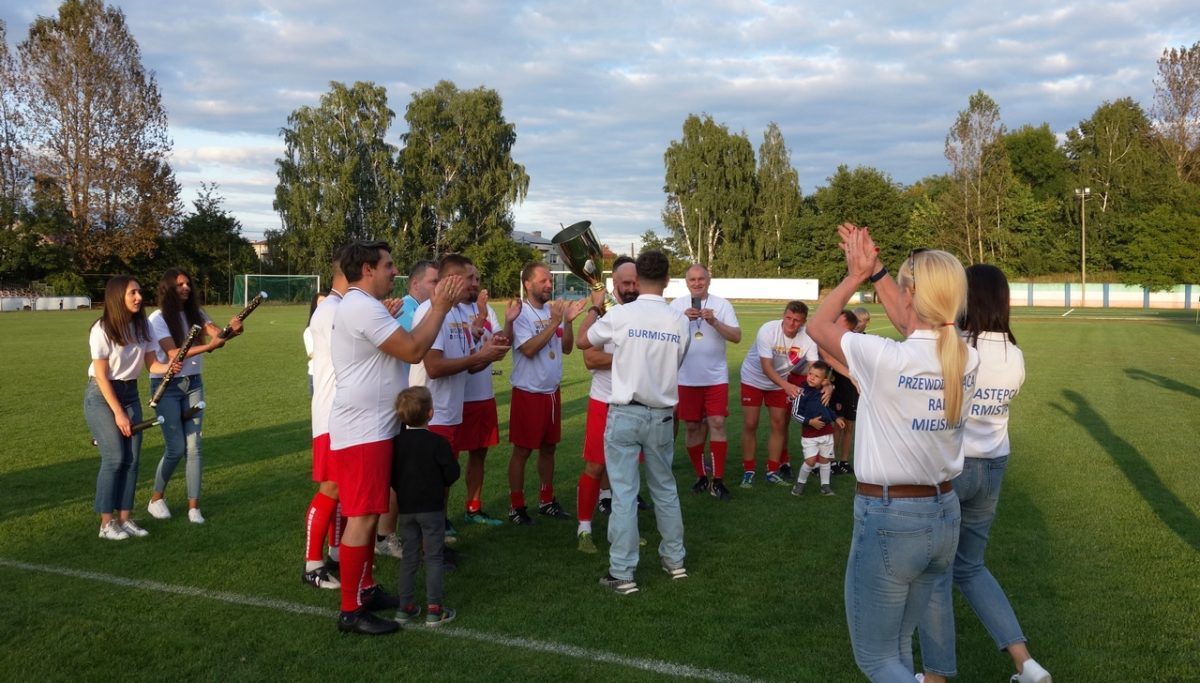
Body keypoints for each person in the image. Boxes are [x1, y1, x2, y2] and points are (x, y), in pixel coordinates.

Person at [806, 225, 979, 682]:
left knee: (877, 660)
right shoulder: (965, 355)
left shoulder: (885, 357)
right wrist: (881, 271)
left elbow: (818, 327)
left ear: (910, 295)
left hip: (891, 517)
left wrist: (856, 275)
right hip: (944, 514)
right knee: (899, 645)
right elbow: (915, 326)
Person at [916, 264, 1050, 683]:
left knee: (934, 573)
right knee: (971, 567)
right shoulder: (1015, 354)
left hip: (954, 467)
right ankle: (1025, 663)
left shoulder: (957, 347)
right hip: (993, 465)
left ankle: (935, 677)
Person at [328, 239, 463, 635]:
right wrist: (440, 306)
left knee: (370, 515)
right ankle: (351, 610)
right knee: (362, 517)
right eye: (388, 265)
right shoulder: (360, 306)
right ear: (367, 269)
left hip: (372, 427)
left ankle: (365, 589)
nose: (394, 271)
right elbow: (415, 350)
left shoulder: (363, 305)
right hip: (363, 430)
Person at [578, 250, 690, 594]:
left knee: (624, 494)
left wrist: (595, 306)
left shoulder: (622, 314)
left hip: (626, 412)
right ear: (668, 280)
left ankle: (623, 572)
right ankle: (675, 561)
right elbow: (677, 361)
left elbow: (583, 341)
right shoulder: (679, 320)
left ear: (637, 280)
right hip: (661, 414)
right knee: (665, 489)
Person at [410, 255, 510, 536]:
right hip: (432, 415)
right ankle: (429, 543)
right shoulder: (432, 312)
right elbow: (434, 367)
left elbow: (468, 365)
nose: (475, 284)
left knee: (442, 479)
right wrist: (480, 356)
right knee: (431, 484)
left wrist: (488, 355)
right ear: (452, 280)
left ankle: (438, 537)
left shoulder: (455, 313)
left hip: (449, 412)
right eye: (470, 279)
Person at [84, 276, 179, 540]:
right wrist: (118, 413)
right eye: (132, 293)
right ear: (118, 297)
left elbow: (152, 365)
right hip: (102, 395)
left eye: (139, 292)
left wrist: (169, 367)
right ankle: (106, 525)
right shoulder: (102, 328)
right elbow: (101, 376)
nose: (139, 297)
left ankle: (125, 519)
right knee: (115, 458)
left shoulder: (143, 327)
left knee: (133, 460)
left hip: (130, 393)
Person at [146, 268, 242, 524]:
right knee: (176, 447)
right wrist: (209, 346)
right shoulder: (157, 318)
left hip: (193, 384)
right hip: (166, 386)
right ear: (168, 288)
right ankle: (156, 499)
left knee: (194, 446)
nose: (186, 287)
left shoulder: (196, 313)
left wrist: (233, 330)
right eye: (179, 284)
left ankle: (194, 507)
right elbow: (173, 353)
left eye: (188, 283)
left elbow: (217, 334)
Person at [505, 262, 587, 525]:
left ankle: (546, 500)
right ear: (527, 284)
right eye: (543, 281)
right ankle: (516, 506)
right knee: (522, 451)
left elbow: (566, 348)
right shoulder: (521, 313)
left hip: (551, 392)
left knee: (549, 448)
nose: (549, 285)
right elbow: (528, 350)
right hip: (529, 392)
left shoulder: (550, 312)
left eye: (550, 280)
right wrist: (554, 322)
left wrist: (568, 323)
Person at [575, 256, 639, 553]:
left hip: (635, 401)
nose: (632, 287)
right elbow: (590, 357)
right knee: (595, 465)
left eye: (636, 282)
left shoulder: (644, 310)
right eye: (626, 283)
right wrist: (631, 359)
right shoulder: (602, 311)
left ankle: (624, 529)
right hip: (605, 400)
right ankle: (584, 528)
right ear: (614, 282)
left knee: (627, 470)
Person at [391, 386, 461, 627]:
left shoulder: (396, 444)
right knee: (433, 557)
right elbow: (452, 473)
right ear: (431, 413)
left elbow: (392, 476)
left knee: (409, 557)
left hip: (406, 509)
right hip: (432, 509)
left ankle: (405, 606)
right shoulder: (437, 443)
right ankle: (434, 609)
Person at [670, 264, 741, 500]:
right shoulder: (676, 305)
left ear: (708, 281)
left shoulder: (722, 304)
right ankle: (701, 476)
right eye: (692, 280)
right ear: (686, 282)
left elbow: (737, 337)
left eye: (701, 279)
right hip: (686, 377)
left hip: (715, 377)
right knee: (692, 427)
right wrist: (681, 320)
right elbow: (664, 338)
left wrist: (715, 322)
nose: (697, 283)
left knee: (717, 423)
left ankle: (718, 480)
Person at [301, 262, 347, 591]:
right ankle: (312, 565)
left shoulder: (340, 307)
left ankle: (336, 553)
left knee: (341, 490)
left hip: (344, 415)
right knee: (330, 489)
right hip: (332, 416)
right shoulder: (332, 310)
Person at [738, 301, 819, 487]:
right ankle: (749, 470)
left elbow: (815, 367)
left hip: (778, 383)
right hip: (753, 378)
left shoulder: (808, 338)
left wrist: (826, 383)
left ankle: (772, 471)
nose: (791, 323)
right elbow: (766, 367)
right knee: (751, 423)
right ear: (783, 315)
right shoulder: (767, 330)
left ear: (803, 322)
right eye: (788, 318)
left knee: (779, 424)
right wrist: (787, 386)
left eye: (796, 320)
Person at [460, 278, 517, 526]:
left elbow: (499, 342)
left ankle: (473, 508)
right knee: (446, 460)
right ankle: (440, 518)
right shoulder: (449, 310)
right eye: (469, 279)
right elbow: (466, 349)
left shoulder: (486, 309)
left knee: (479, 454)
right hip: (457, 397)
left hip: (483, 394)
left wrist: (507, 325)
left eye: (477, 279)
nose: (476, 283)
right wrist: (481, 317)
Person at [788, 360, 844, 497]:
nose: (812, 378)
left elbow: (826, 408)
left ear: (824, 380)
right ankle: (800, 484)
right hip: (810, 435)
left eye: (816, 376)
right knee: (811, 461)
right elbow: (795, 413)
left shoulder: (824, 391)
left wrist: (836, 418)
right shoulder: (801, 392)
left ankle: (825, 486)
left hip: (826, 433)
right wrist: (810, 422)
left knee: (825, 460)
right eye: (810, 374)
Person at [826, 309, 860, 475]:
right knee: (837, 424)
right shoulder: (832, 341)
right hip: (838, 388)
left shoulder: (856, 342)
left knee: (849, 425)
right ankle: (831, 461)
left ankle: (844, 461)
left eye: (840, 324)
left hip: (852, 390)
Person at [303, 290, 330, 396]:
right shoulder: (309, 331)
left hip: (333, 376)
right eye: (321, 302)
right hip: (317, 375)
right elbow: (313, 354)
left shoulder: (334, 327)